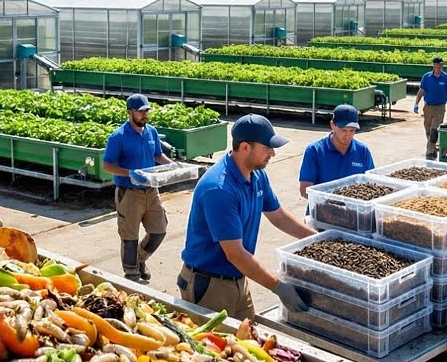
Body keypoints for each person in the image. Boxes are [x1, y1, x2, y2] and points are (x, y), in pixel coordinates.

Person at [179, 114, 316, 318]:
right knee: (215, 346)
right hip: (210, 285)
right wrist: (278, 287)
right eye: (267, 147)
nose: (273, 153)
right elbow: (235, 253)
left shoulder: (257, 174)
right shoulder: (219, 189)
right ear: (245, 147)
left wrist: (317, 240)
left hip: (238, 278)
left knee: (249, 342)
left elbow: (278, 216)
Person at [102, 93, 172, 283]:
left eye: (146, 111)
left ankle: (140, 259)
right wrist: (130, 173)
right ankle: (131, 274)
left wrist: (173, 165)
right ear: (130, 112)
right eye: (140, 112)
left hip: (151, 190)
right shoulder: (118, 137)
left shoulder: (151, 132)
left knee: (159, 230)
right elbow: (107, 165)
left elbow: (157, 155)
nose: (144, 115)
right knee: (130, 236)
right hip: (129, 193)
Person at [298, 104, 376, 199]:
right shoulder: (315, 150)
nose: (348, 135)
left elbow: (372, 183)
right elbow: (304, 189)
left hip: (353, 209)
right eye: (344, 130)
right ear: (332, 125)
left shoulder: (362, 150)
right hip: (321, 210)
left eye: (352, 130)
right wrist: (331, 202)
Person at [413, 56, 447, 159]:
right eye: (438, 65)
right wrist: (416, 103)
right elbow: (421, 91)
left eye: (441, 65)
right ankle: (439, 148)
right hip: (428, 107)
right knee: (428, 129)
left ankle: (429, 151)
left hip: (440, 107)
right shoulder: (427, 77)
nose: (440, 67)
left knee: (434, 129)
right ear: (434, 65)